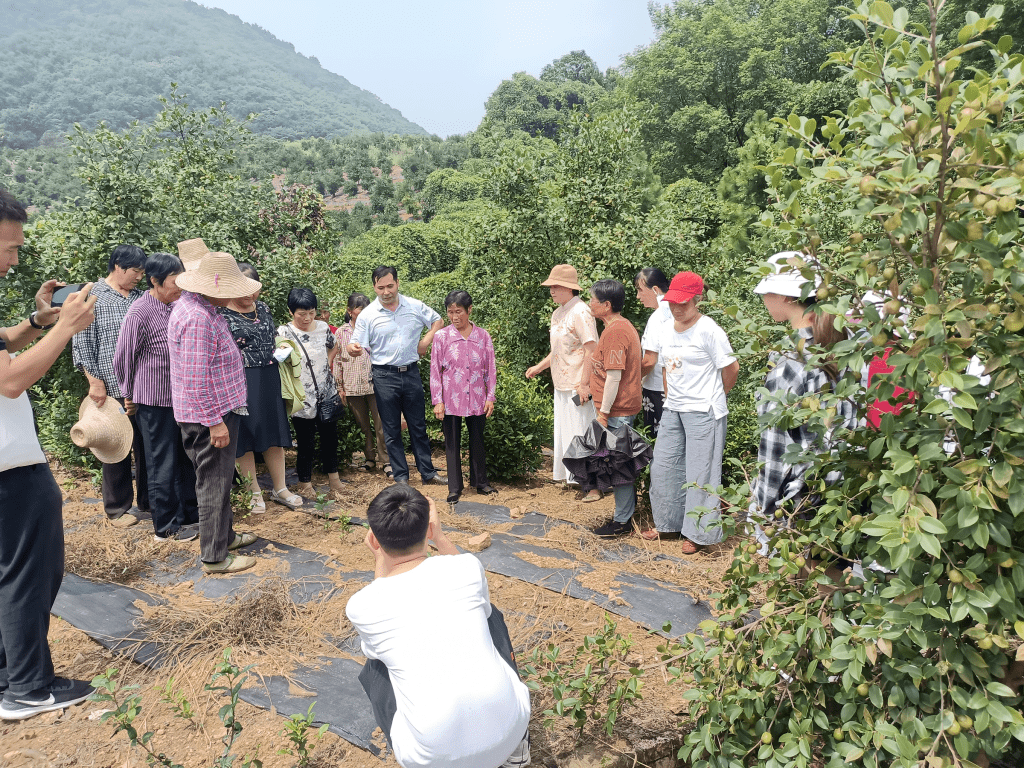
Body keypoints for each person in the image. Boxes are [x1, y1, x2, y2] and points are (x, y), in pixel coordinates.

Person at [346, 484, 531, 768]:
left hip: (433, 761)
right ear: (429, 530)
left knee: (377, 665)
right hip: (511, 730)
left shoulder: (362, 606)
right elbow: (468, 580)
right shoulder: (468, 568)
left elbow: (381, 598)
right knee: (489, 615)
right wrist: (440, 537)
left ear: (373, 539)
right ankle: (519, 751)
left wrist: (380, 559)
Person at [0, 189, 98, 720]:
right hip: (11, 469)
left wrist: (38, 321)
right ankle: (29, 689)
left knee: (8, 571)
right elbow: (10, 379)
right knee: (29, 574)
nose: (15, 260)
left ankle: (8, 674)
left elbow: (4, 341)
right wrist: (64, 327)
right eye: (9, 248)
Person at [169, 251, 261, 575]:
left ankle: (225, 537)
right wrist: (215, 423)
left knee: (220, 481)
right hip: (209, 416)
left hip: (214, 411)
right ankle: (214, 557)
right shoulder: (198, 317)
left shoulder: (201, 307)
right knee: (212, 484)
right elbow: (196, 378)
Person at [749, 251, 855, 532]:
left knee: (797, 571)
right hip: (840, 488)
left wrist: (763, 506)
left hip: (798, 497)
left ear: (785, 296)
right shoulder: (845, 344)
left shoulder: (789, 363)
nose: (763, 298)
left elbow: (775, 445)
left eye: (767, 291)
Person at [644, 272, 739, 553]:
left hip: (704, 410)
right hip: (674, 408)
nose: (677, 308)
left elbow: (730, 369)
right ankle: (668, 524)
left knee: (701, 474)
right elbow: (664, 367)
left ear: (698, 299)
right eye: (673, 302)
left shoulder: (709, 330)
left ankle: (698, 534)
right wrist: (668, 396)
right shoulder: (664, 328)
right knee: (664, 467)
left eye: (683, 303)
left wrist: (715, 396)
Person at [113, 252, 199, 543]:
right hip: (153, 401)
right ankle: (165, 527)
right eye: (175, 282)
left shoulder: (177, 306)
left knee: (186, 460)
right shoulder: (139, 312)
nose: (180, 287)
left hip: (180, 399)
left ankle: (191, 515)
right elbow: (123, 358)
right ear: (155, 281)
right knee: (161, 462)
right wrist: (127, 393)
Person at [71, 244, 149, 527]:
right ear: (118, 266)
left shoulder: (141, 297)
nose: (139, 277)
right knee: (115, 446)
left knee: (147, 446)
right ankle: (117, 509)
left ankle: (149, 503)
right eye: (135, 271)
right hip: (111, 386)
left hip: (145, 385)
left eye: (142, 272)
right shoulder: (93, 298)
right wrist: (94, 381)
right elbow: (80, 343)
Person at [347, 266, 446, 487]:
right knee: (390, 428)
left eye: (390, 286)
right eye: (380, 287)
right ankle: (401, 476)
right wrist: (353, 348)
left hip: (410, 372)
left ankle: (428, 473)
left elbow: (438, 321)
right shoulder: (368, 315)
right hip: (384, 376)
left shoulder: (414, 306)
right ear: (374, 287)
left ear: (398, 283)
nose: (386, 292)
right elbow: (357, 343)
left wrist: (425, 341)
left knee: (418, 426)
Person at [221, 264, 303, 512]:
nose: (249, 295)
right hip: (240, 379)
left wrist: (282, 352)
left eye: (253, 289)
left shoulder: (263, 308)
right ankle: (253, 491)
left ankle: (280, 489)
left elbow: (271, 339)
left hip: (269, 376)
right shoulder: (221, 313)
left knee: (273, 433)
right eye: (242, 289)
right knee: (244, 435)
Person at [525, 264, 598, 492]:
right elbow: (558, 350)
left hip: (579, 383)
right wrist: (539, 366)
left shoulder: (581, 311)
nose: (552, 291)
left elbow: (592, 349)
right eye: (551, 286)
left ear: (569, 288)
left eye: (556, 286)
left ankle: (591, 482)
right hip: (562, 383)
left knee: (581, 430)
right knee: (567, 431)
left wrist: (585, 383)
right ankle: (575, 478)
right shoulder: (558, 313)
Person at [585, 279, 644, 538]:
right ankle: (623, 515)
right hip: (617, 409)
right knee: (617, 463)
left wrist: (604, 413)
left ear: (606, 305)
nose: (589, 304)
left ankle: (622, 522)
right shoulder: (618, 327)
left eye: (593, 300)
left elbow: (615, 376)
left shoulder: (616, 332)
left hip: (617, 411)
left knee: (619, 466)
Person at [430, 290, 498, 504]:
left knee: (477, 439)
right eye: (450, 312)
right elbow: (435, 370)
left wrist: (490, 396)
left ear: (469, 310)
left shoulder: (483, 336)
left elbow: (491, 368)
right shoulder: (442, 337)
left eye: (458, 311)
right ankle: (454, 487)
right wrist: (437, 400)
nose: (454, 316)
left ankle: (480, 482)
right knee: (452, 442)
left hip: (477, 396)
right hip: (450, 397)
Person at [278, 287, 346, 500]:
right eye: (301, 314)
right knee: (306, 443)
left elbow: (335, 346)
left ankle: (334, 481)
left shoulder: (324, 327)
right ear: (291, 312)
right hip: (302, 398)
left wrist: (328, 364)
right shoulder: (284, 332)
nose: (307, 318)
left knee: (330, 439)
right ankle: (305, 483)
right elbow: (279, 362)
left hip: (326, 393)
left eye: (311, 312)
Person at [333, 292, 388, 473]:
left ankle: (386, 461)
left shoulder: (376, 328)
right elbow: (338, 361)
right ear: (349, 312)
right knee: (364, 427)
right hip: (352, 387)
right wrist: (340, 387)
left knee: (381, 425)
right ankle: (370, 459)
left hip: (375, 385)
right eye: (359, 310)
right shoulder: (342, 332)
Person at [634, 267, 673, 437]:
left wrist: (632, 381)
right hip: (676, 386)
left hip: (657, 389)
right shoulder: (676, 310)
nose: (638, 296)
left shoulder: (657, 317)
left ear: (655, 290)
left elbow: (650, 360)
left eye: (640, 290)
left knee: (658, 442)